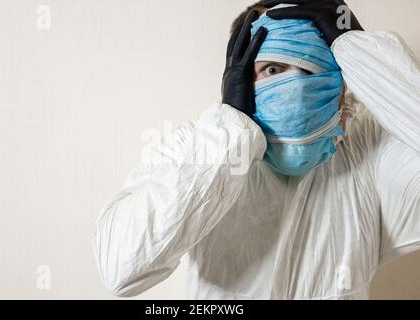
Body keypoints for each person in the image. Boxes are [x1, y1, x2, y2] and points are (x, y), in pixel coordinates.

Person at [92, 0, 420, 299]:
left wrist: (359, 49)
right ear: (242, 82)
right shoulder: (195, 149)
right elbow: (122, 268)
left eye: (313, 70)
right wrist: (230, 127)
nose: (297, 90)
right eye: (273, 70)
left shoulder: (371, 156)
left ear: (343, 82)